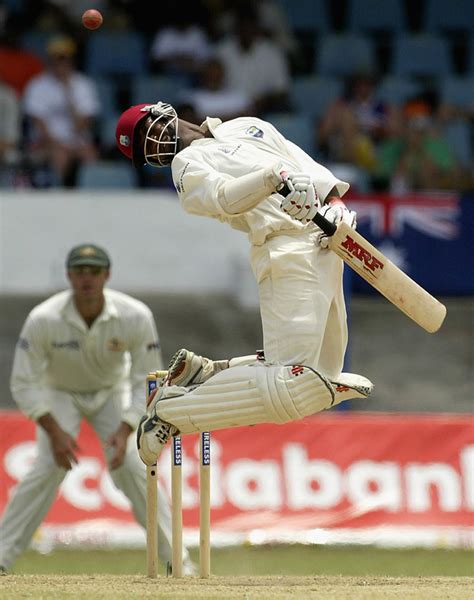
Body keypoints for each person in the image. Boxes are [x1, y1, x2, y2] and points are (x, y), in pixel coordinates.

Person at [114, 101, 374, 466]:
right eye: (141, 148)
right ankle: (170, 413)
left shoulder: (247, 126)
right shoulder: (184, 166)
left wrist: (335, 204)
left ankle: (208, 373)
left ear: (162, 112)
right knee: (291, 385)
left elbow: (306, 166)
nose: (149, 144)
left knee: (323, 380)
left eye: (145, 131)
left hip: (325, 243)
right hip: (284, 248)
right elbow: (224, 198)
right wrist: (272, 178)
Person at [0, 244, 194, 575]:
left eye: (93, 271)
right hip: (59, 392)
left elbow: (145, 380)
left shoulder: (135, 315)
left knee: (133, 466)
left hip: (111, 391)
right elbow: (24, 383)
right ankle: (1, 558)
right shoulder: (44, 319)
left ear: (107, 275)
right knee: (47, 466)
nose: (86, 279)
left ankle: (178, 562)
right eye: (79, 271)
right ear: (68, 276)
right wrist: (54, 431)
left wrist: (125, 428)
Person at [23, 35, 100, 187]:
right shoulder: (37, 85)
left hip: (77, 140)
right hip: (46, 141)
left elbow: (84, 123)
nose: (60, 63)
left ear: (71, 60)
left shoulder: (83, 84)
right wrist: (57, 143)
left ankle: (92, 198)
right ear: (49, 61)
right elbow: (38, 123)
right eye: (56, 59)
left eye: (64, 58)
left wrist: (68, 93)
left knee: (90, 155)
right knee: (60, 155)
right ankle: (61, 198)